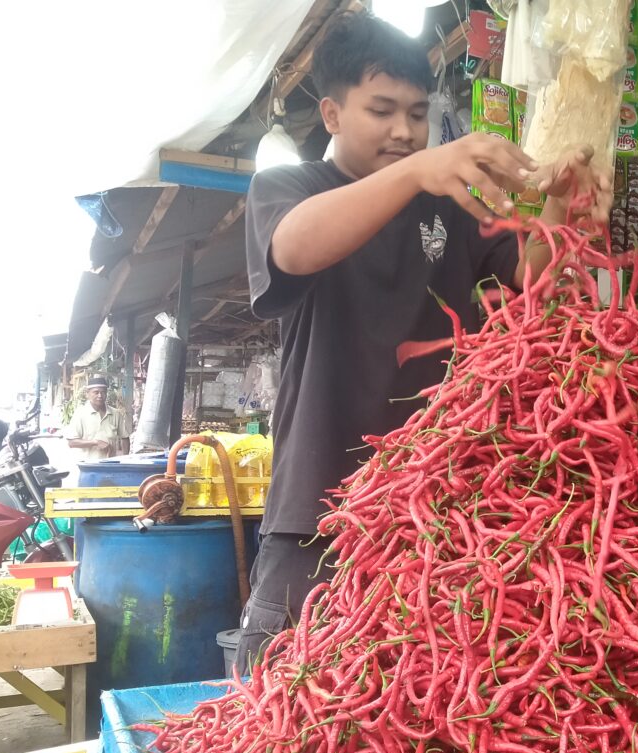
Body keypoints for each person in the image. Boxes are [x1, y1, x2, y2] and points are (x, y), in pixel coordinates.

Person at [236, 11, 611, 670]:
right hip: (318, 513)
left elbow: (535, 280)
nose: (405, 131)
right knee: (287, 701)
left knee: (414, 706)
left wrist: (560, 202)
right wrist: (418, 172)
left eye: (417, 113)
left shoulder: (448, 206)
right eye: (381, 111)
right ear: (331, 114)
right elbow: (293, 249)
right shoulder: (290, 188)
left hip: (432, 513)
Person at [66, 375, 129, 461]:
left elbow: (125, 438)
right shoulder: (80, 414)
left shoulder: (116, 414)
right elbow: (71, 443)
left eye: (103, 392)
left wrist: (125, 459)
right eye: (96, 392)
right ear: (87, 394)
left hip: (110, 463)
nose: (100, 395)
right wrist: (95, 443)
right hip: (88, 464)